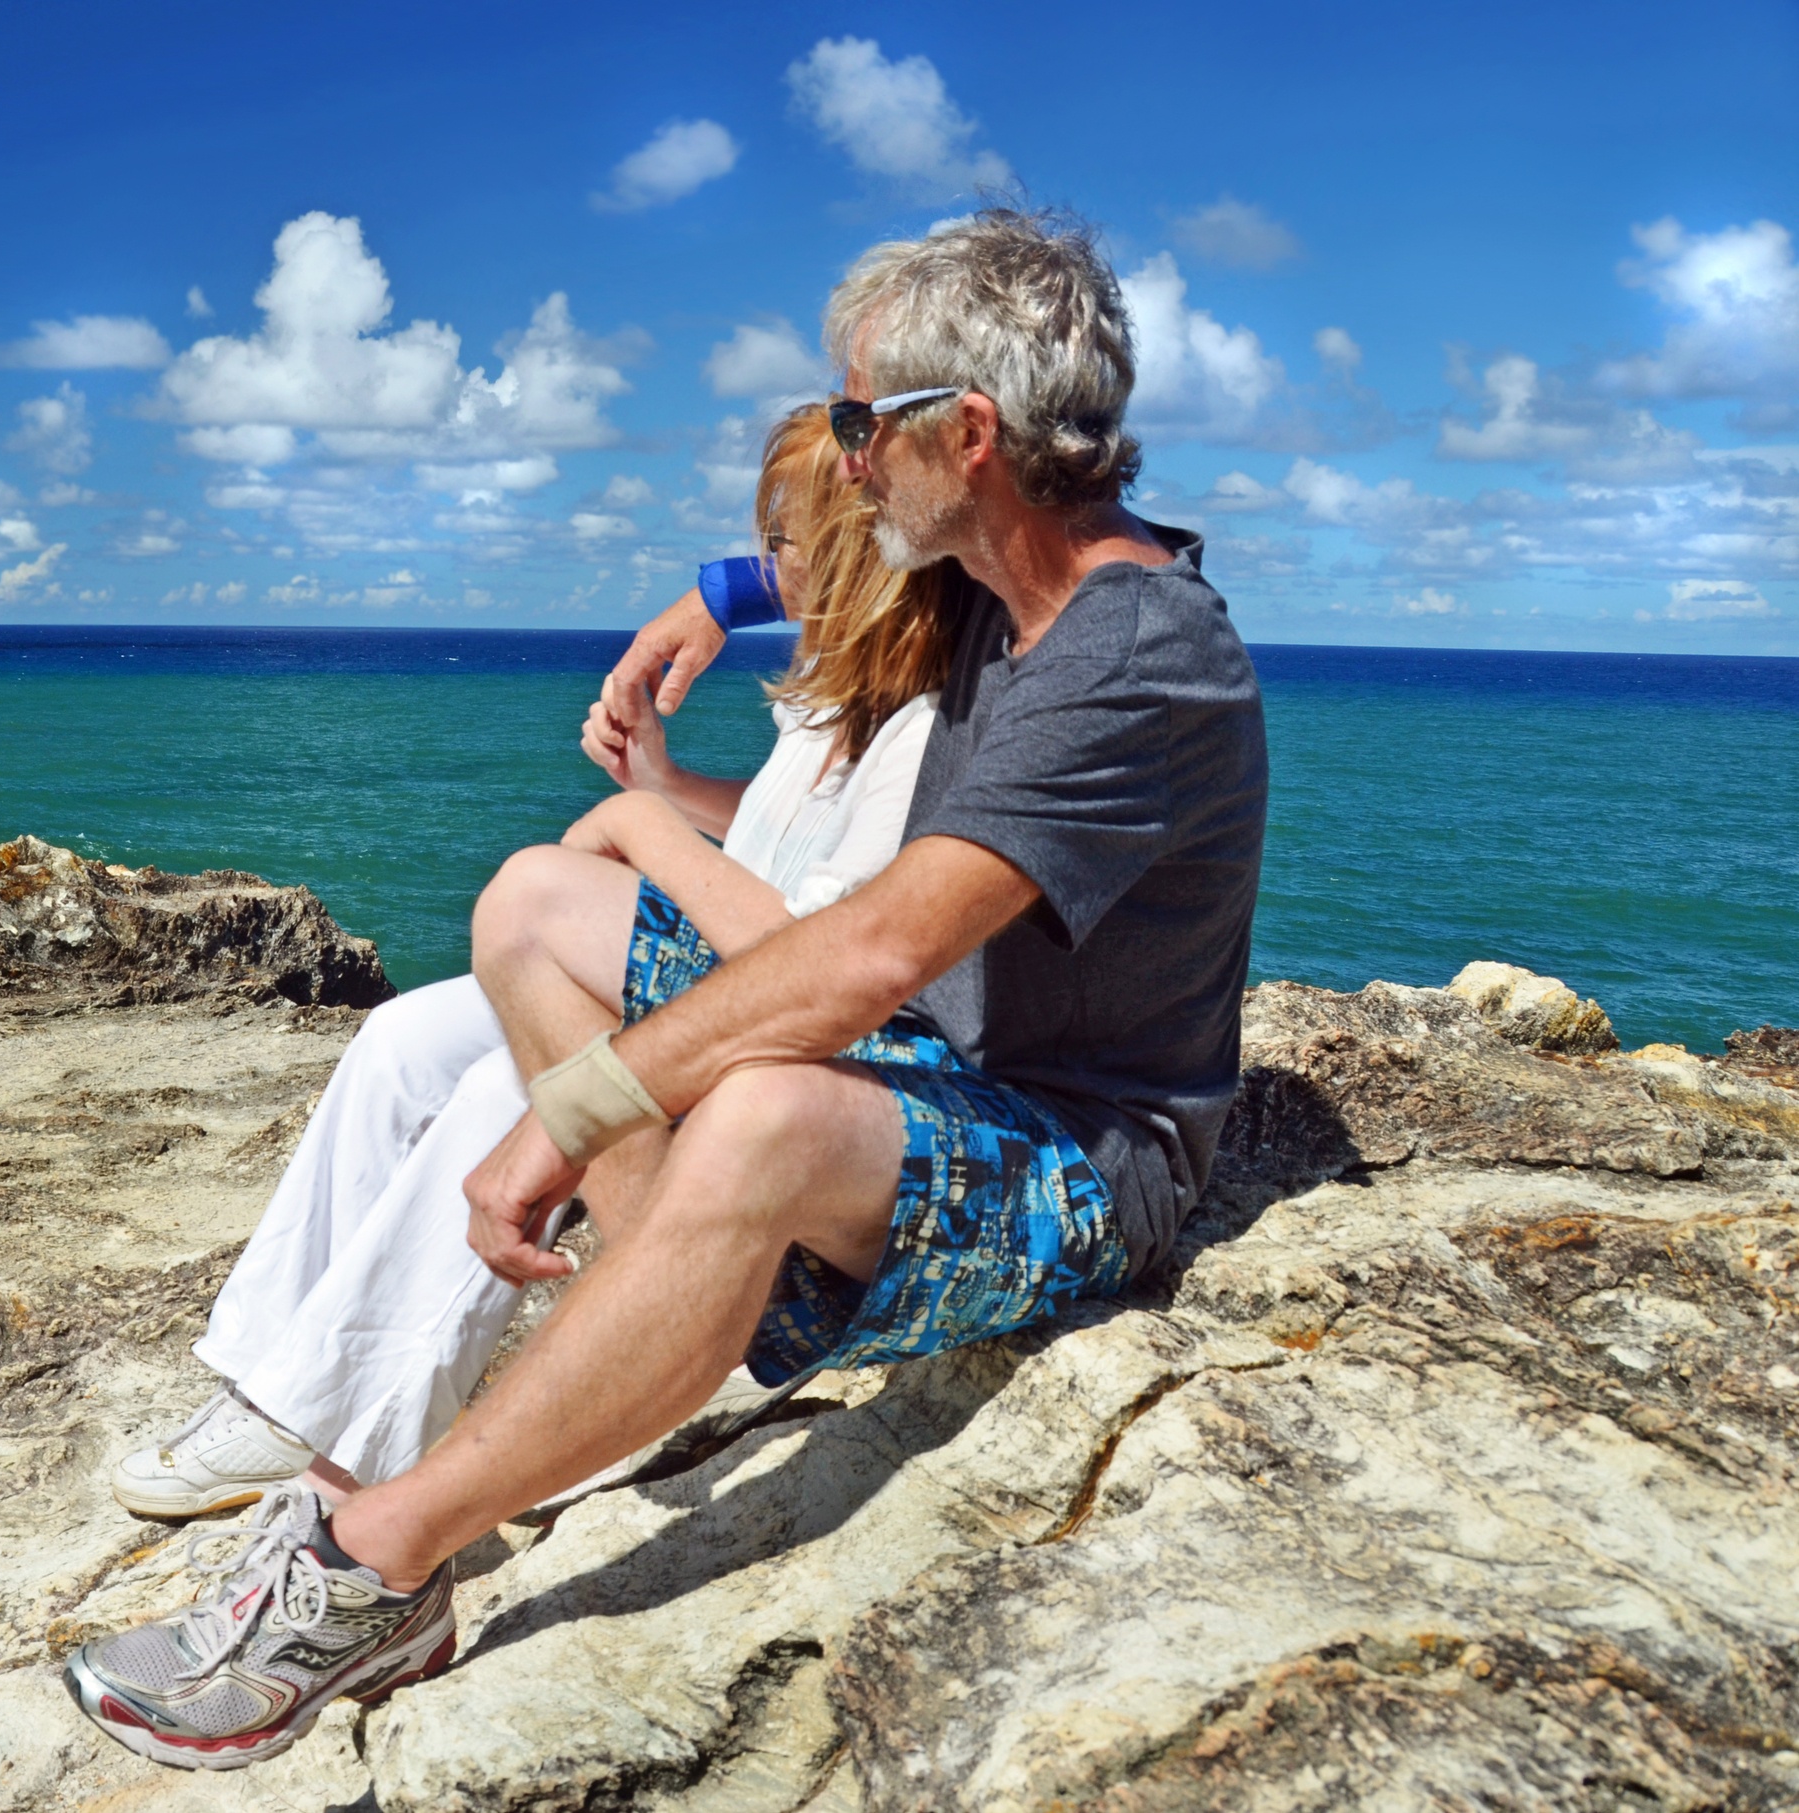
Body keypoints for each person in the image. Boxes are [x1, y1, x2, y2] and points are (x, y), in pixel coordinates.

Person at [63, 208, 1269, 1772]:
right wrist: (706, 599)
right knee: (535, 902)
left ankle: (376, 1568)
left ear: (967, 435)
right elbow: (815, 571)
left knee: (761, 1107)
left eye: (857, 423)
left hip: (1083, 1150)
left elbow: (870, 954)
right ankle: (668, 1314)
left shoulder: (1130, 657)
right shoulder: (1002, 583)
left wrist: (561, 1120)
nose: (842, 459)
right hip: (945, 1072)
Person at [108, 401, 956, 1523]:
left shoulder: (929, 724)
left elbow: (817, 959)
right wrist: (664, 786)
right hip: (705, 977)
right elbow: (778, 837)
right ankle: (271, 1380)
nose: (766, 568)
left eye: (782, 544)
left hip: (779, 1041)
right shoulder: (833, 691)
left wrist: (640, 833)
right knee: (402, 1036)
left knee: (519, 1081)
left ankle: (351, 1433)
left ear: (854, 551)